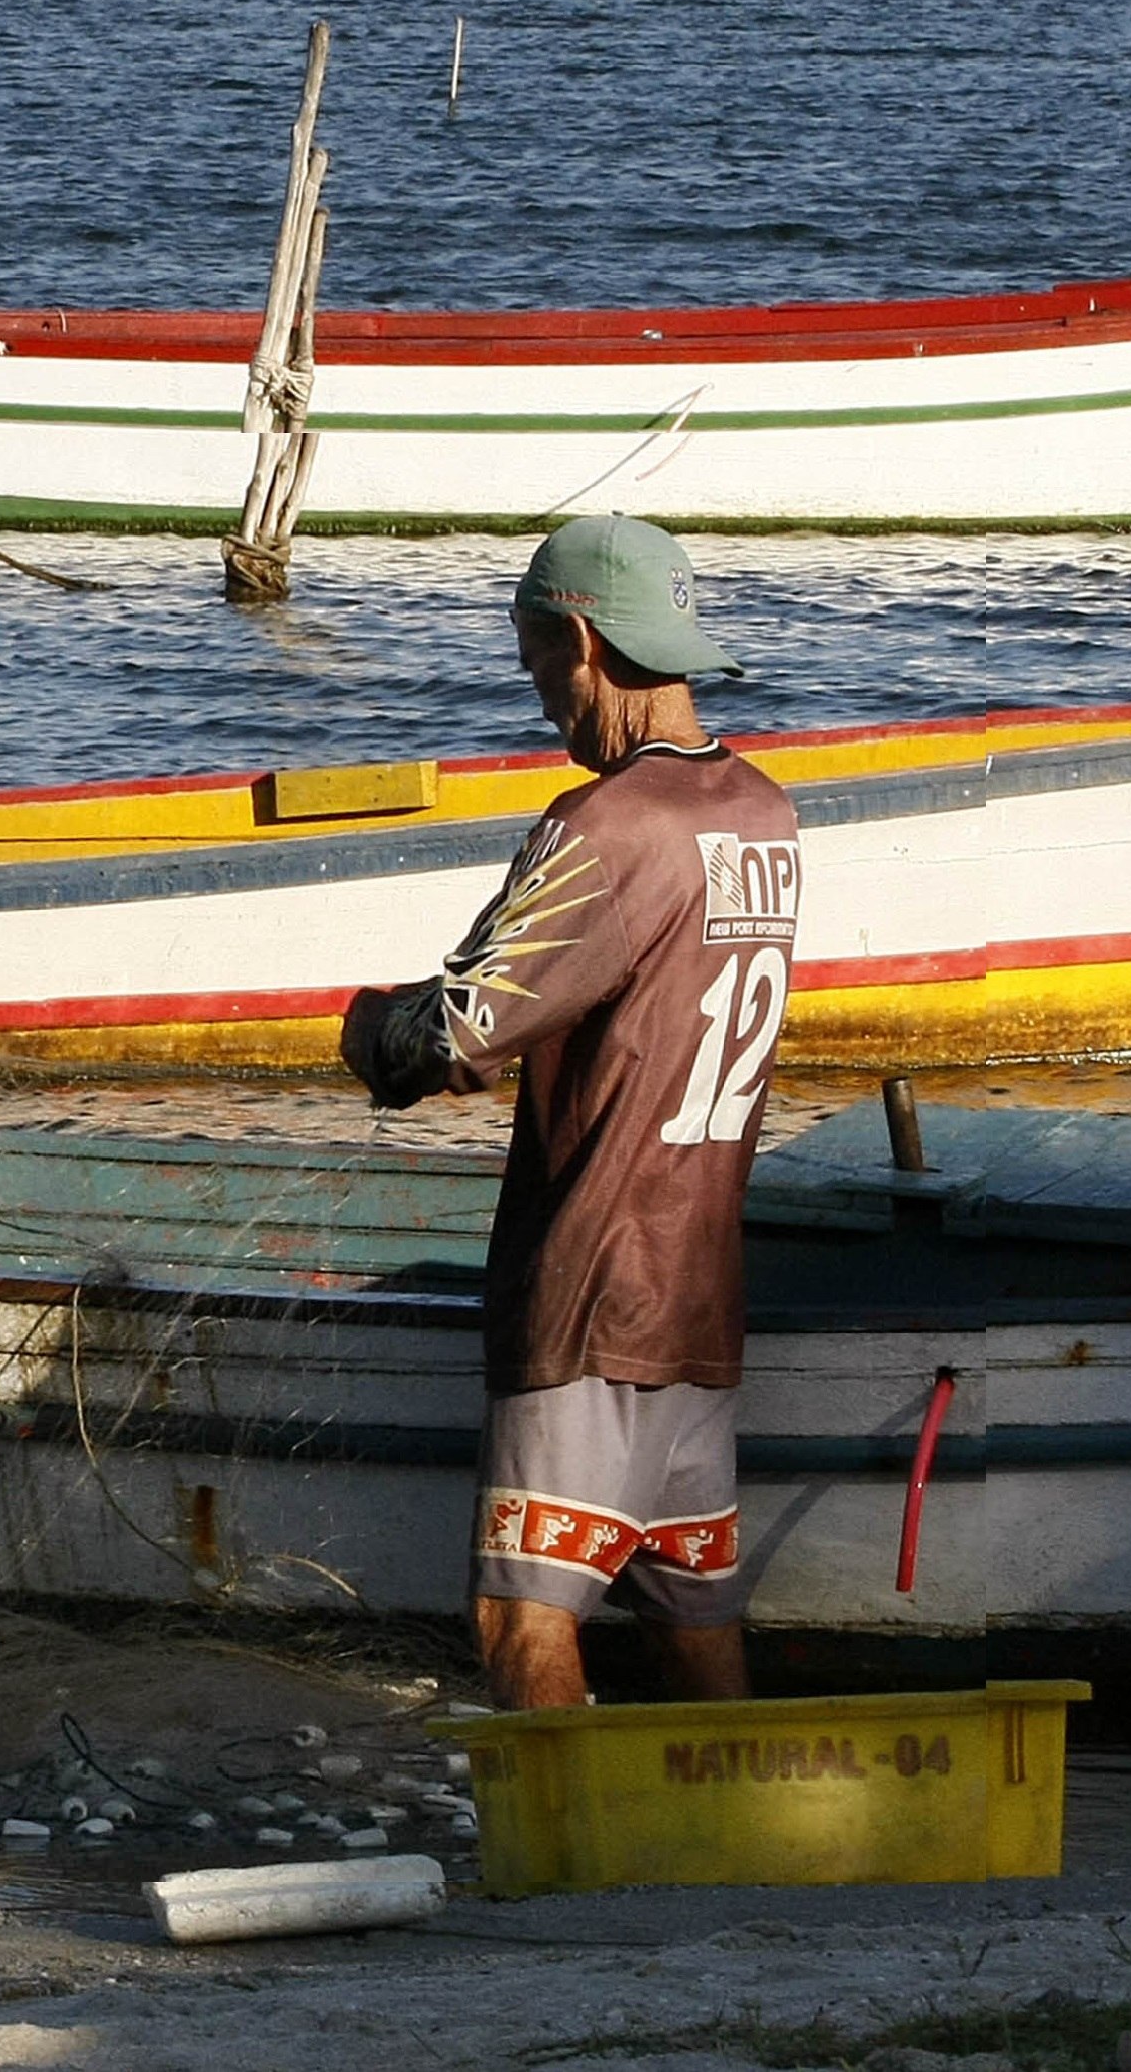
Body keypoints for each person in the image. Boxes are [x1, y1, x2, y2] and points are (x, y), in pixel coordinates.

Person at [339, 514, 800, 1713]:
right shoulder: (763, 813)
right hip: (696, 1302)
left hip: (591, 1295)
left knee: (518, 1618)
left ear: (582, 643)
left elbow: (456, 1032)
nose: (542, 700)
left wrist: (365, 1025)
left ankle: (552, 1837)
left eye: (537, 664)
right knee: (691, 1616)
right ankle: (740, 1812)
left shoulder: (600, 825)